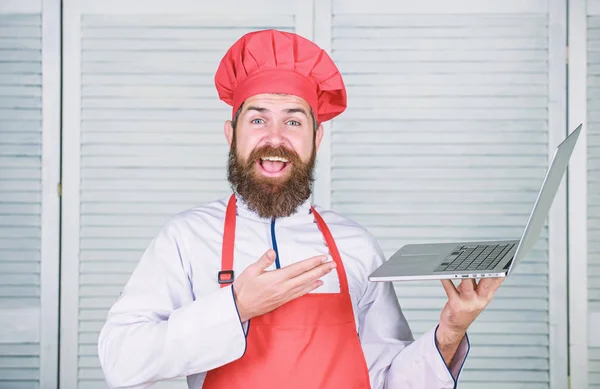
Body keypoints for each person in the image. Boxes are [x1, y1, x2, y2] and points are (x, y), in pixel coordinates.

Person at [98, 29, 503, 389]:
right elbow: (121, 361)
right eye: (257, 120)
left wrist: (450, 331)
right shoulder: (186, 238)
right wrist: (235, 306)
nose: (275, 137)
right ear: (231, 134)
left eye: (293, 122)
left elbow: (388, 380)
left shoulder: (355, 245)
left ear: (317, 137)